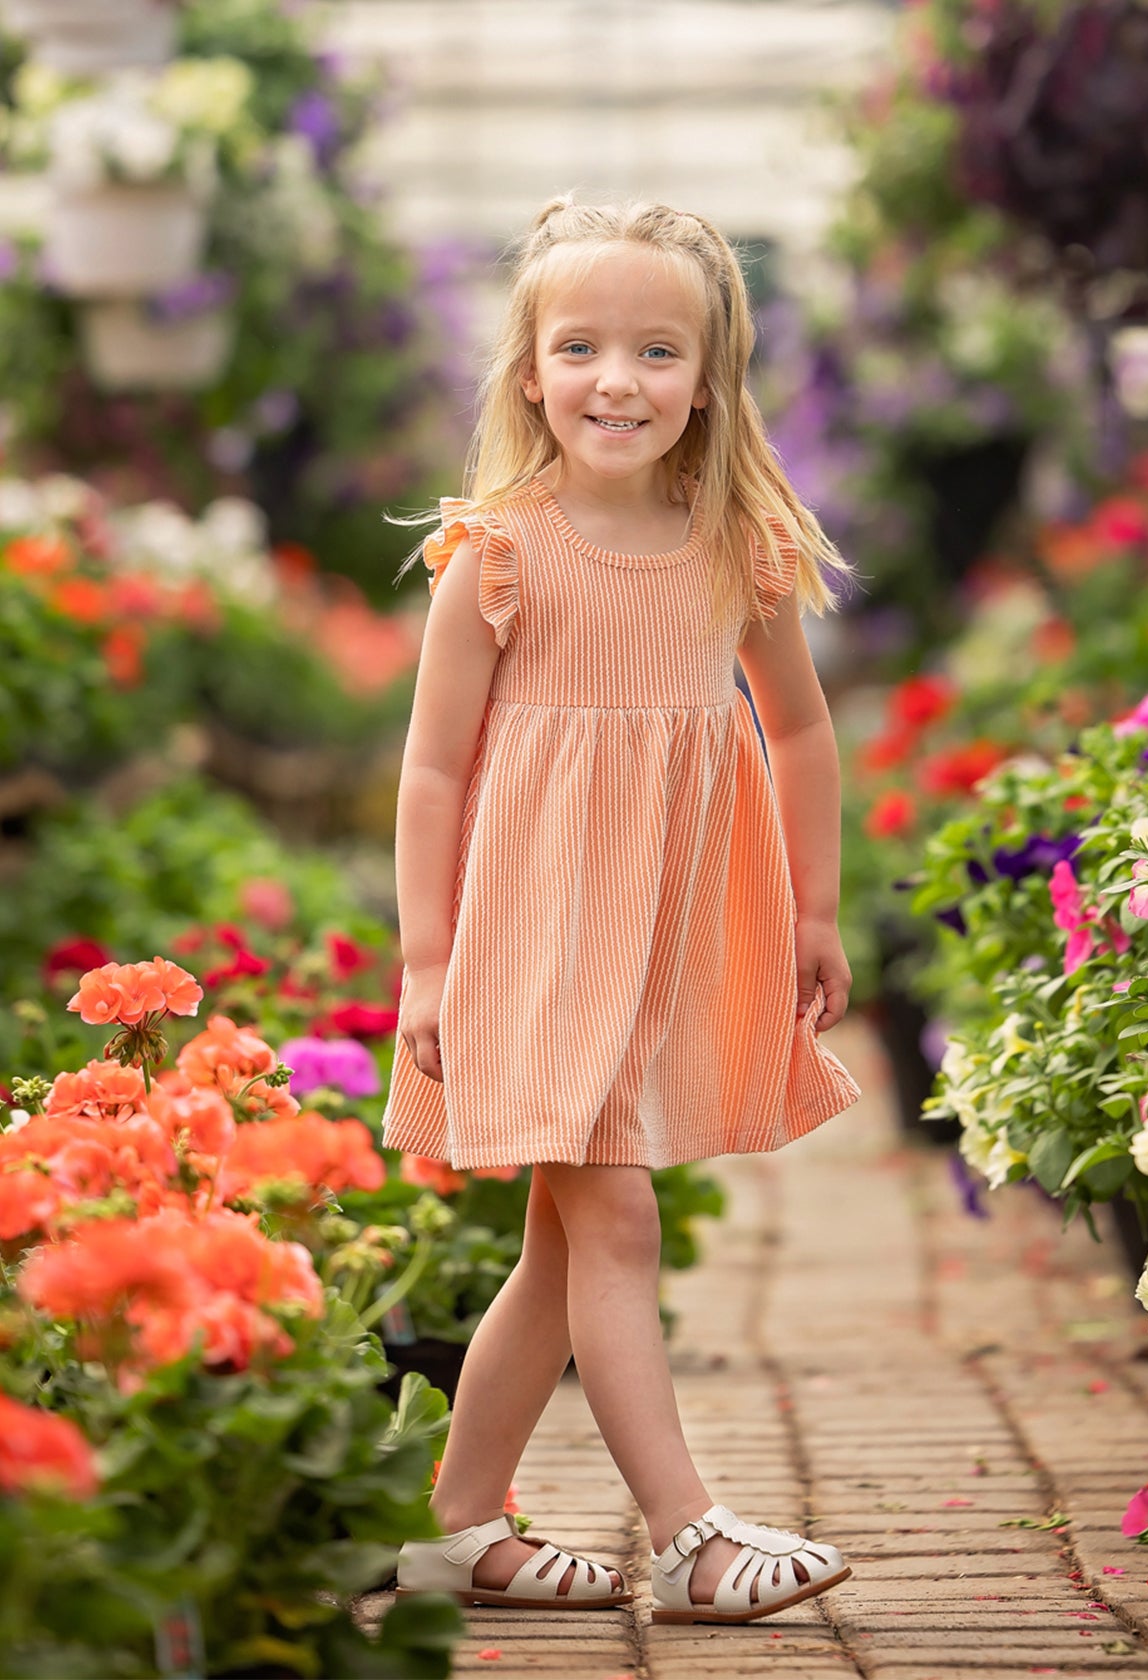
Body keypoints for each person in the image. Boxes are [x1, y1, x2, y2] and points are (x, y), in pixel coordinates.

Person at [386, 197, 861, 1626]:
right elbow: (431, 765)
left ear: (708, 380)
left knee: (561, 1240)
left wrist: (818, 910)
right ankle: (694, 1536)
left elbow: (798, 734)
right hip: (527, 944)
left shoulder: (738, 544)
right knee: (619, 1227)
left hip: (656, 941)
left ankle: (464, 1529)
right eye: (581, 346)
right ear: (528, 371)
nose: (618, 380)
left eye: (658, 351)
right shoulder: (499, 552)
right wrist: (425, 958)